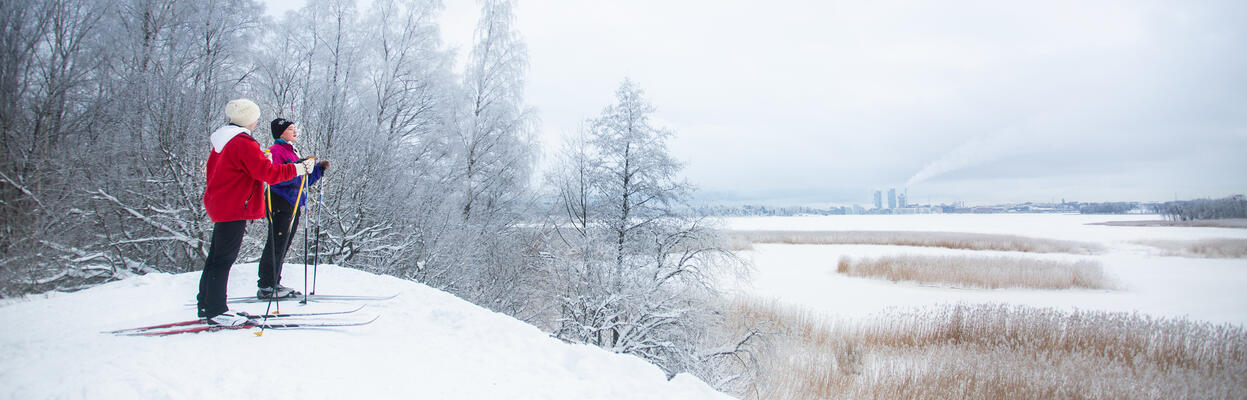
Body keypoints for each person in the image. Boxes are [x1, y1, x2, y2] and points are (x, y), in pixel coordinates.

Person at [197, 99, 317, 325]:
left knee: (216, 257)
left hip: (223, 202)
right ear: (248, 118)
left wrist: (264, 160)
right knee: (223, 259)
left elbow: (242, 168)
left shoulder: (224, 140)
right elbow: (268, 174)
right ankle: (215, 310)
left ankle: (206, 304)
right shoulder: (242, 142)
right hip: (234, 204)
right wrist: (298, 168)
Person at [257, 118, 328, 299]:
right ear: (280, 132)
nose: (295, 131)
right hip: (280, 200)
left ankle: (273, 282)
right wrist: (300, 167)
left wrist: (317, 170)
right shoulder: (276, 151)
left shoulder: (291, 151)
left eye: (294, 128)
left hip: (292, 201)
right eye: (290, 129)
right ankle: (267, 285)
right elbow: (279, 176)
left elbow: (303, 181)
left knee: (283, 243)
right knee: (277, 242)